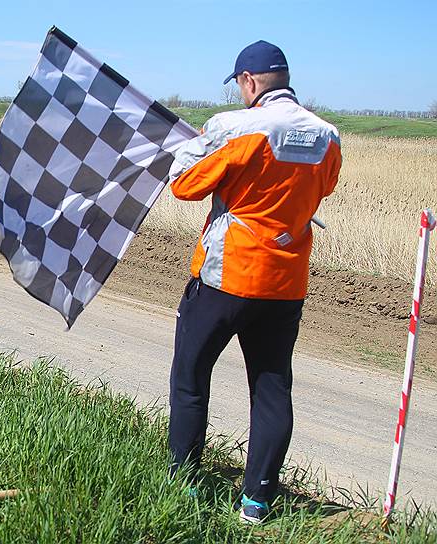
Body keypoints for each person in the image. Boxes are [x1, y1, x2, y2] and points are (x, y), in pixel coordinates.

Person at [166, 40, 341, 524]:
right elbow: (322, 186)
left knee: (190, 377)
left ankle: (183, 488)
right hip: (285, 282)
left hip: (227, 276)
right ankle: (258, 500)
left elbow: (184, 185)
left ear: (247, 82)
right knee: (271, 387)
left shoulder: (233, 127)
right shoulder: (329, 136)